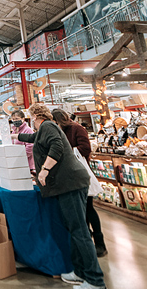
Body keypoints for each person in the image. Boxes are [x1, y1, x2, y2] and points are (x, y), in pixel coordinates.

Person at [18, 103, 106, 289]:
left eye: (30, 118)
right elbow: (33, 137)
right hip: (66, 185)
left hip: (70, 184)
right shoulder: (45, 129)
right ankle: (79, 272)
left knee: (80, 232)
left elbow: (56, 146)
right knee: (74, 229)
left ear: (35, 117)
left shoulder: (48, 126)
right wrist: (14, 135)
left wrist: (44, 170)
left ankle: (95, 280)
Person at [53, 109, 107, 257]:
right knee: (79, 211)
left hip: (81, 174)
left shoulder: (77, 129)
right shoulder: (58, 131)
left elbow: (85, 148)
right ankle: (87, 241)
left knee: (88, 208)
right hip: (68, 175)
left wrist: (65, 151)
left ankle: (100, 243)